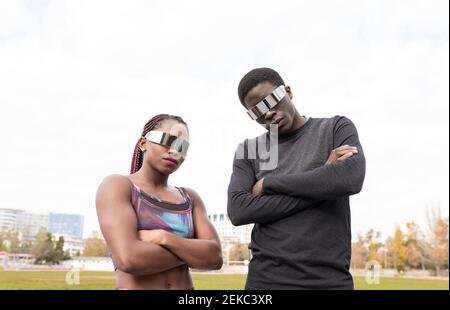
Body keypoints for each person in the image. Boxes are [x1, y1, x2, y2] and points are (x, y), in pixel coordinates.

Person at [227, 67, 366, 289]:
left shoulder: (335, 128)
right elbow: (239, 210)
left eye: (271, 99)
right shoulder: (250, 149)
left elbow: (351, 178)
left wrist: (269, 184)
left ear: (288, 92)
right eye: (257, 111)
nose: (268, 113)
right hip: (265, 283)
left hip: (328, 282)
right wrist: (324, 177)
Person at [96, 114, 222, 290]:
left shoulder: (190, 198)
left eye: (182, 146)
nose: (174, 151)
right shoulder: (118, 186)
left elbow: (215, 258)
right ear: (143, 143)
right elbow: (129, 259)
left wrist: (163, 238)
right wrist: (193, 252)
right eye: (166, 140)